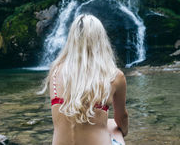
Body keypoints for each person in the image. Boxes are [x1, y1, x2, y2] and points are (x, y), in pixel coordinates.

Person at [41, 14, 128, 145]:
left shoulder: (55, 71)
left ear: (72, 39)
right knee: (113, 126)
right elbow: (122, 118)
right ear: (101, 39)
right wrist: (122, 132)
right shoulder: (115, 75)